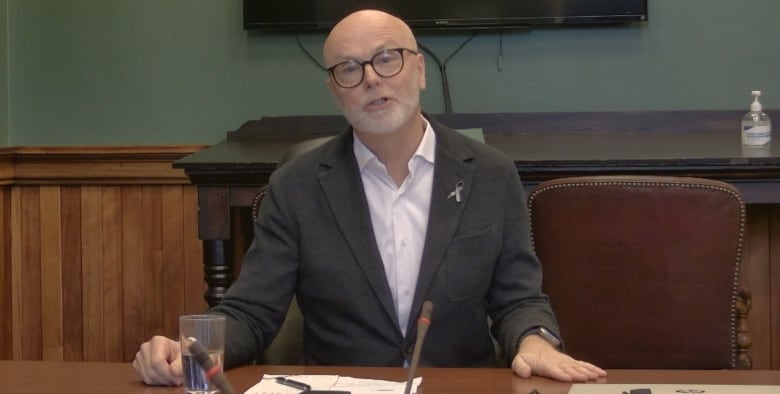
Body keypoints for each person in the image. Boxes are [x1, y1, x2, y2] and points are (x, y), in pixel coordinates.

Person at [133, 9, 606, 385]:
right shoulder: (297, 185)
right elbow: (251, 311)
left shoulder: (490, 173)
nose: (371, 79)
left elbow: (519, 299)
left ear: (419, 68)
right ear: (334, 91)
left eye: (387, 58)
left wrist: (536, 340)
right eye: (348, 69)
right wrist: (191, 348)